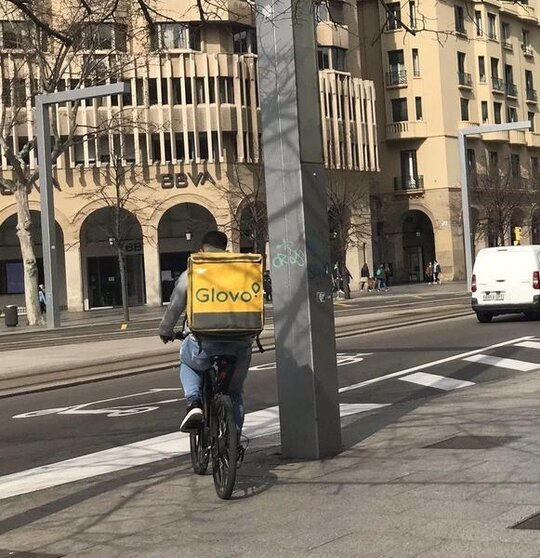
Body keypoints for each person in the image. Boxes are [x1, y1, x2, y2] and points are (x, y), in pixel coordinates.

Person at [158, 230, 254, 433]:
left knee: (189, 363)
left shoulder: (194, 271)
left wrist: (165, 330)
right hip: (241, 341)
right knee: (234, 392)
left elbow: (176, 304)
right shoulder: (244, 269)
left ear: (202, 250)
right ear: (225, 249)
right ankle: (233, 440)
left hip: (203, 342)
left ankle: (194, 403)